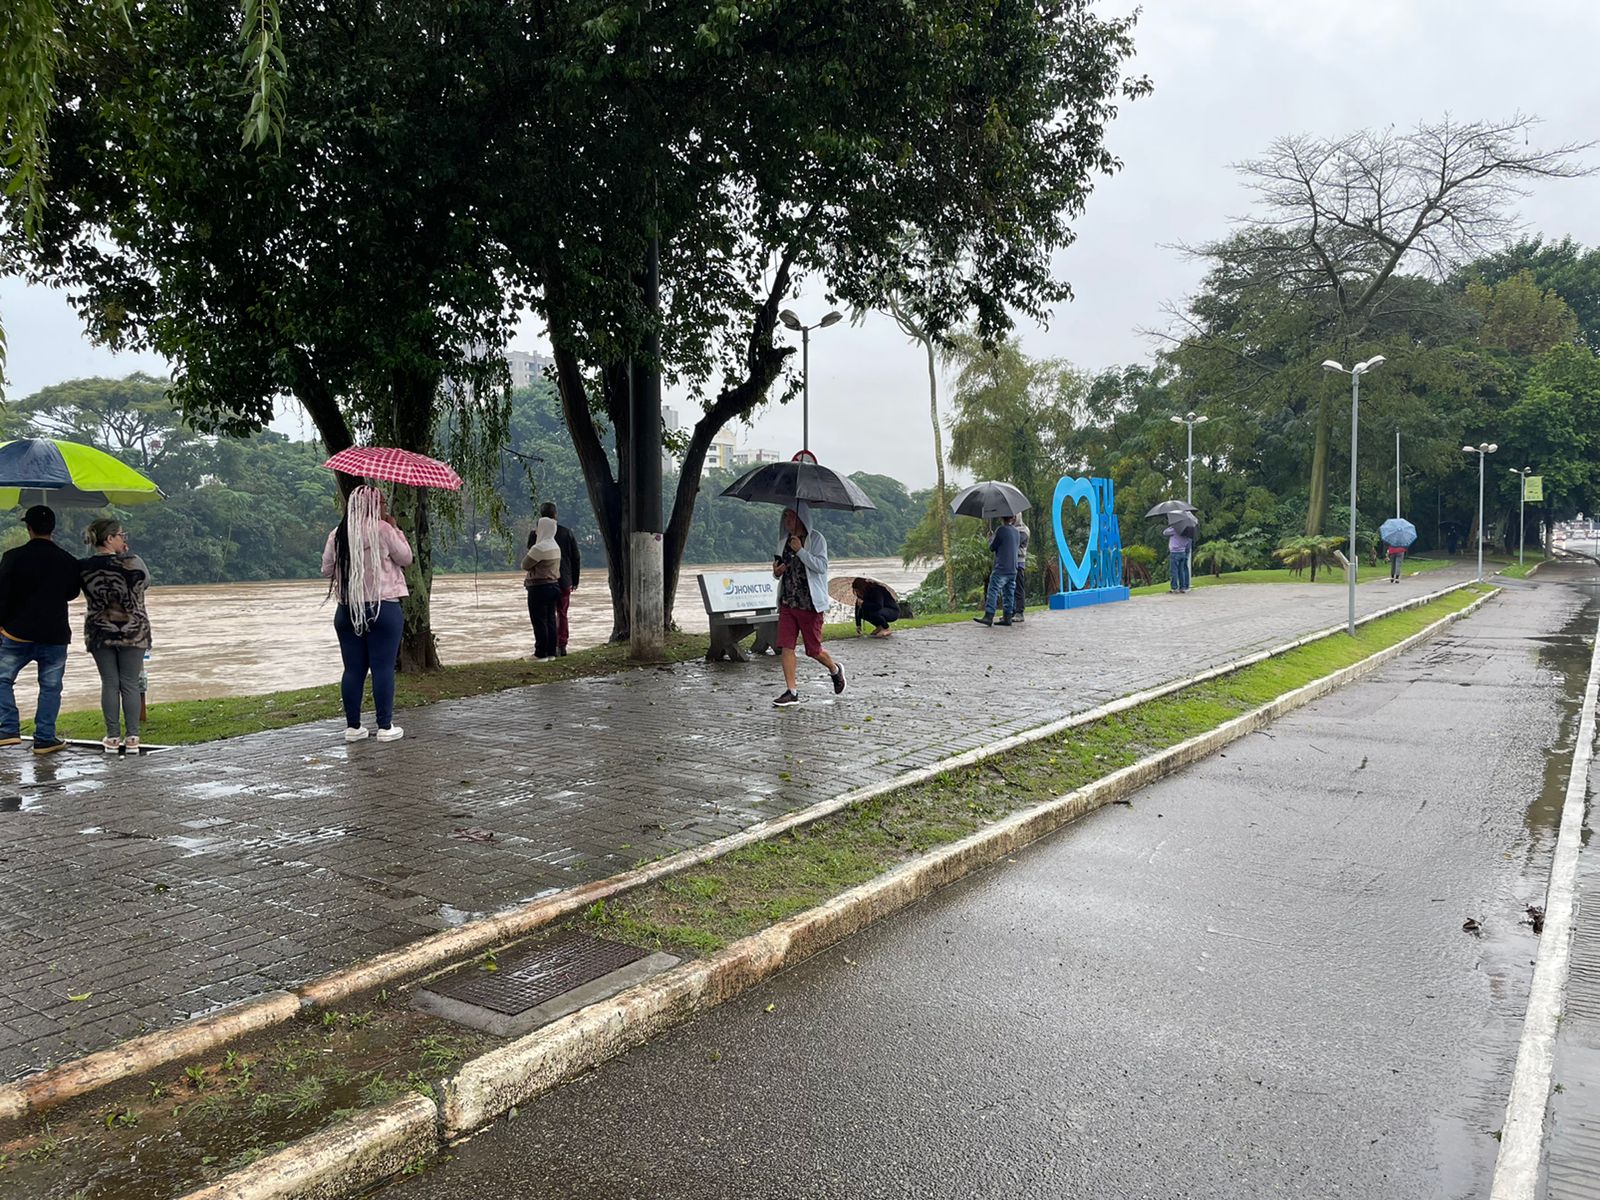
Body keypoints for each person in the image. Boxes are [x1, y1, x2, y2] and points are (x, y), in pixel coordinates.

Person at [321, 485, 412, 742]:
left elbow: (327, 569)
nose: (385, 507)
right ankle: (385, 727)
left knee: (353, 669)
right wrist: (395, 528)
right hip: (383, 607)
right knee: (382, 667)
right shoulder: (383, 530)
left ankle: (353, 728)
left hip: (348, 609)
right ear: (373, 505)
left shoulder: (338, 533)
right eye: (381, 503)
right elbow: (406, 558)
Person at [0, 506, 82, 755]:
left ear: (29, 528)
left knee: (2, 680)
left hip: (16, 632)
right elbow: (71, 593)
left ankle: (7, 730)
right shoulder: (67, 560)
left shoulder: (12, 557)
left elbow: (2, 595)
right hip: (55, 634)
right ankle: (45, 738)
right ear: (53, 529)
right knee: (50, 686)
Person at [79, 518, 153, 754]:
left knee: (109, 682)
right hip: (134, 629)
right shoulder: (134, 562)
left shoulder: (83, 566)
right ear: (109, 538)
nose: (125, 540)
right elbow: (146, 583)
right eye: (122, 535)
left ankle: (112, 737)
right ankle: (132, 738)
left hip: (100, 631)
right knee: (129, 682)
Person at [771, 502, 845, 706]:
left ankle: (835, 669)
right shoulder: (783, 541)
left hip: (809, 604)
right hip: (788, 602)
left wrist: (801, 551)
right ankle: (791, 691)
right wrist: (777, 572)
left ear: (802, 518)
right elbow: (779, 568)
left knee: (813, 650)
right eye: (785, 517)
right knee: (786, 646)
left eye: (791, 517)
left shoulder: (817, 540)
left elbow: (821, 567)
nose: (787, 521)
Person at [530, 502, 581, 656]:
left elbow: (530, 557)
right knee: (562, 613)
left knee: (545, 616)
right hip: (564, 580)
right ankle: (562, 645)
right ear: (555, 515)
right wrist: (575, 579)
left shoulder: (535, 535)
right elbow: (576, 557)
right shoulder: (566, 533)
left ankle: (545, 648)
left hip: (543, 581)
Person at [521, 516, 562, 662]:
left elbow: (525, 565)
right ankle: (551, 652)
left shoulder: (539, 548)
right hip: (554, 586)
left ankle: (540, 653)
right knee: (551, 619)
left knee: (539, 620)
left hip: (538, 588)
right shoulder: (556, 546)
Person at [974, 515, 1018, 627]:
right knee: (1009, 593)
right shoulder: (1016, 532)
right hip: (1013, 568)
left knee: (993, 590)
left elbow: (992, 547)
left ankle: (989, 615)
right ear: (1012, 518)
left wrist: (990, 539)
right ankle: (1008, 617)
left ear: (1001, 518)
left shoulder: (1001, 530)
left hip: (1001, 567)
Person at [1165, 524, 1193, 593]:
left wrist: (1171, 526)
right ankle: (1182, 587)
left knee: (1174, 571)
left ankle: (1174, 587)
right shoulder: (1187, 533)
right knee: (1181, 571)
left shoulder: (1175, 530)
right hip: (1182, 552)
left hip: (1174, 552)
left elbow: (1165, 532)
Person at [1013, 514, 1030, 623]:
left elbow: (1015, 543)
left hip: (1019, 563)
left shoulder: (1023, 530)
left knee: (1019, 588)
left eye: (1014, 516)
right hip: (1010, 563)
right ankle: (1012, 611)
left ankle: (1020, 612)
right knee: (1011, 589)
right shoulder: (1012, 529)